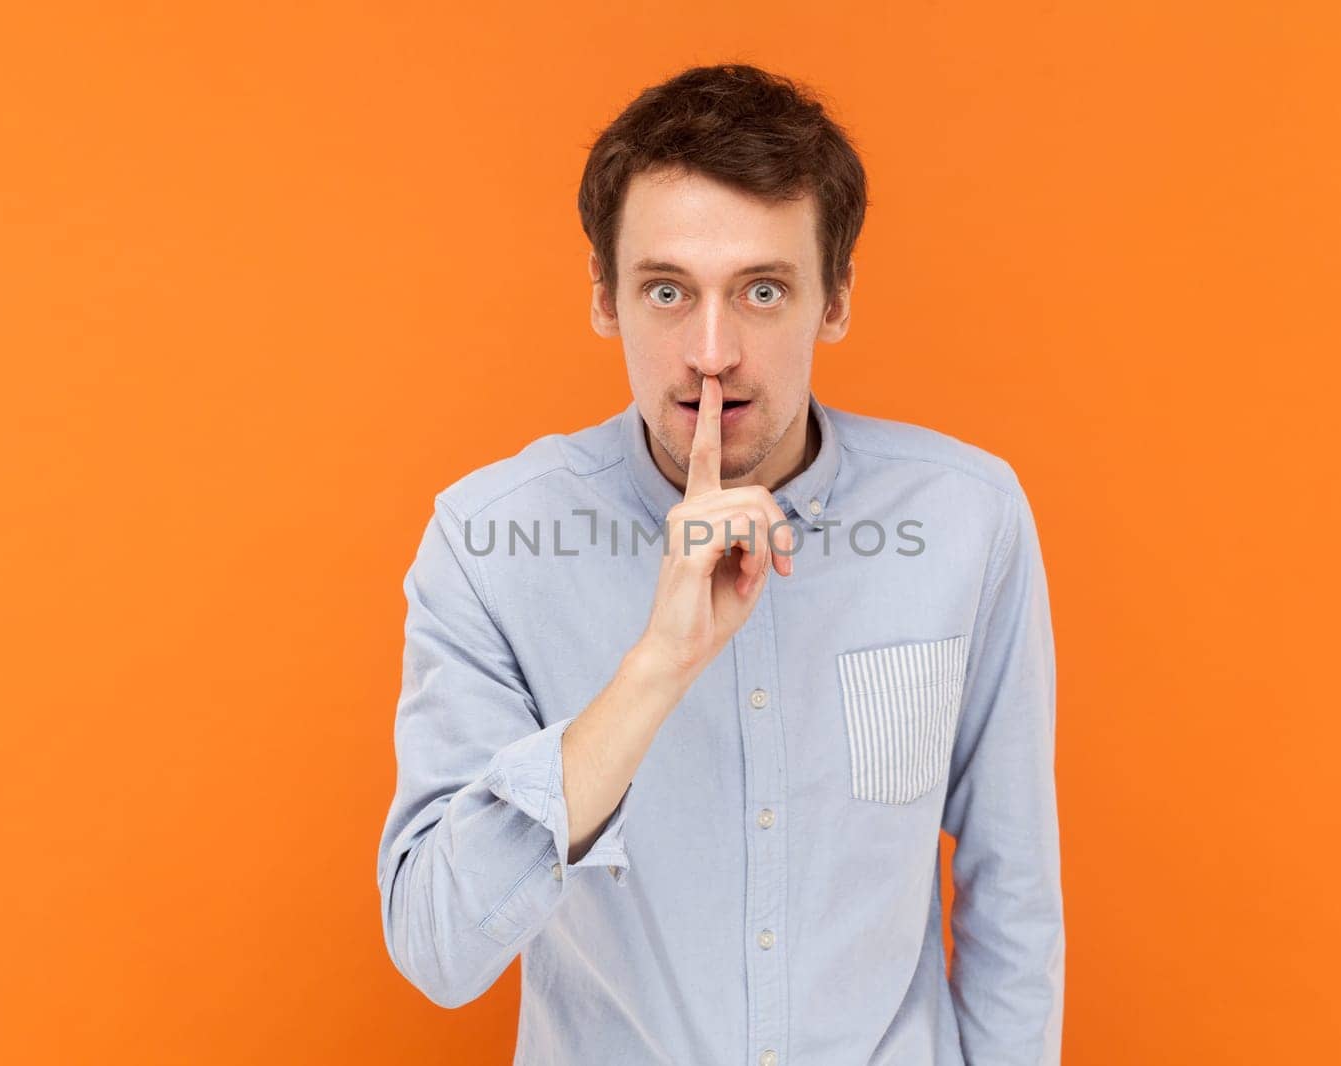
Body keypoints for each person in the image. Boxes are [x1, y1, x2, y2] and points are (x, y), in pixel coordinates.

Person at [376, 62, 1063, 1065]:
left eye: (762, 290)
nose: (712, 351)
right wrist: (656, 664)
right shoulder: (486, 543)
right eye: (667, 290)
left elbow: (1015, 897)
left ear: (834, 301)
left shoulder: (968, 518)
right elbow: (438, 946)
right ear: (605, 299)